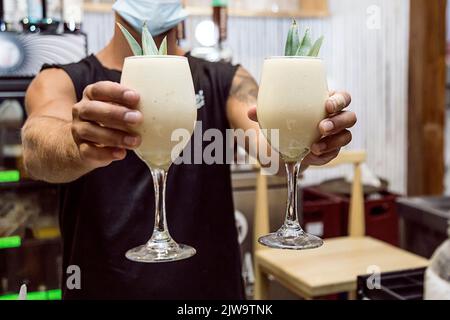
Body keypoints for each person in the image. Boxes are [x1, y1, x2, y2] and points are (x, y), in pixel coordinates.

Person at [22, 0, 356, 299]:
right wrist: (75, 143)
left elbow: (266, 142)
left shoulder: (225, 78)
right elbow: (37, 148)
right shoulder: (63, 80)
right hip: (102, 289)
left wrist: (303, 144)